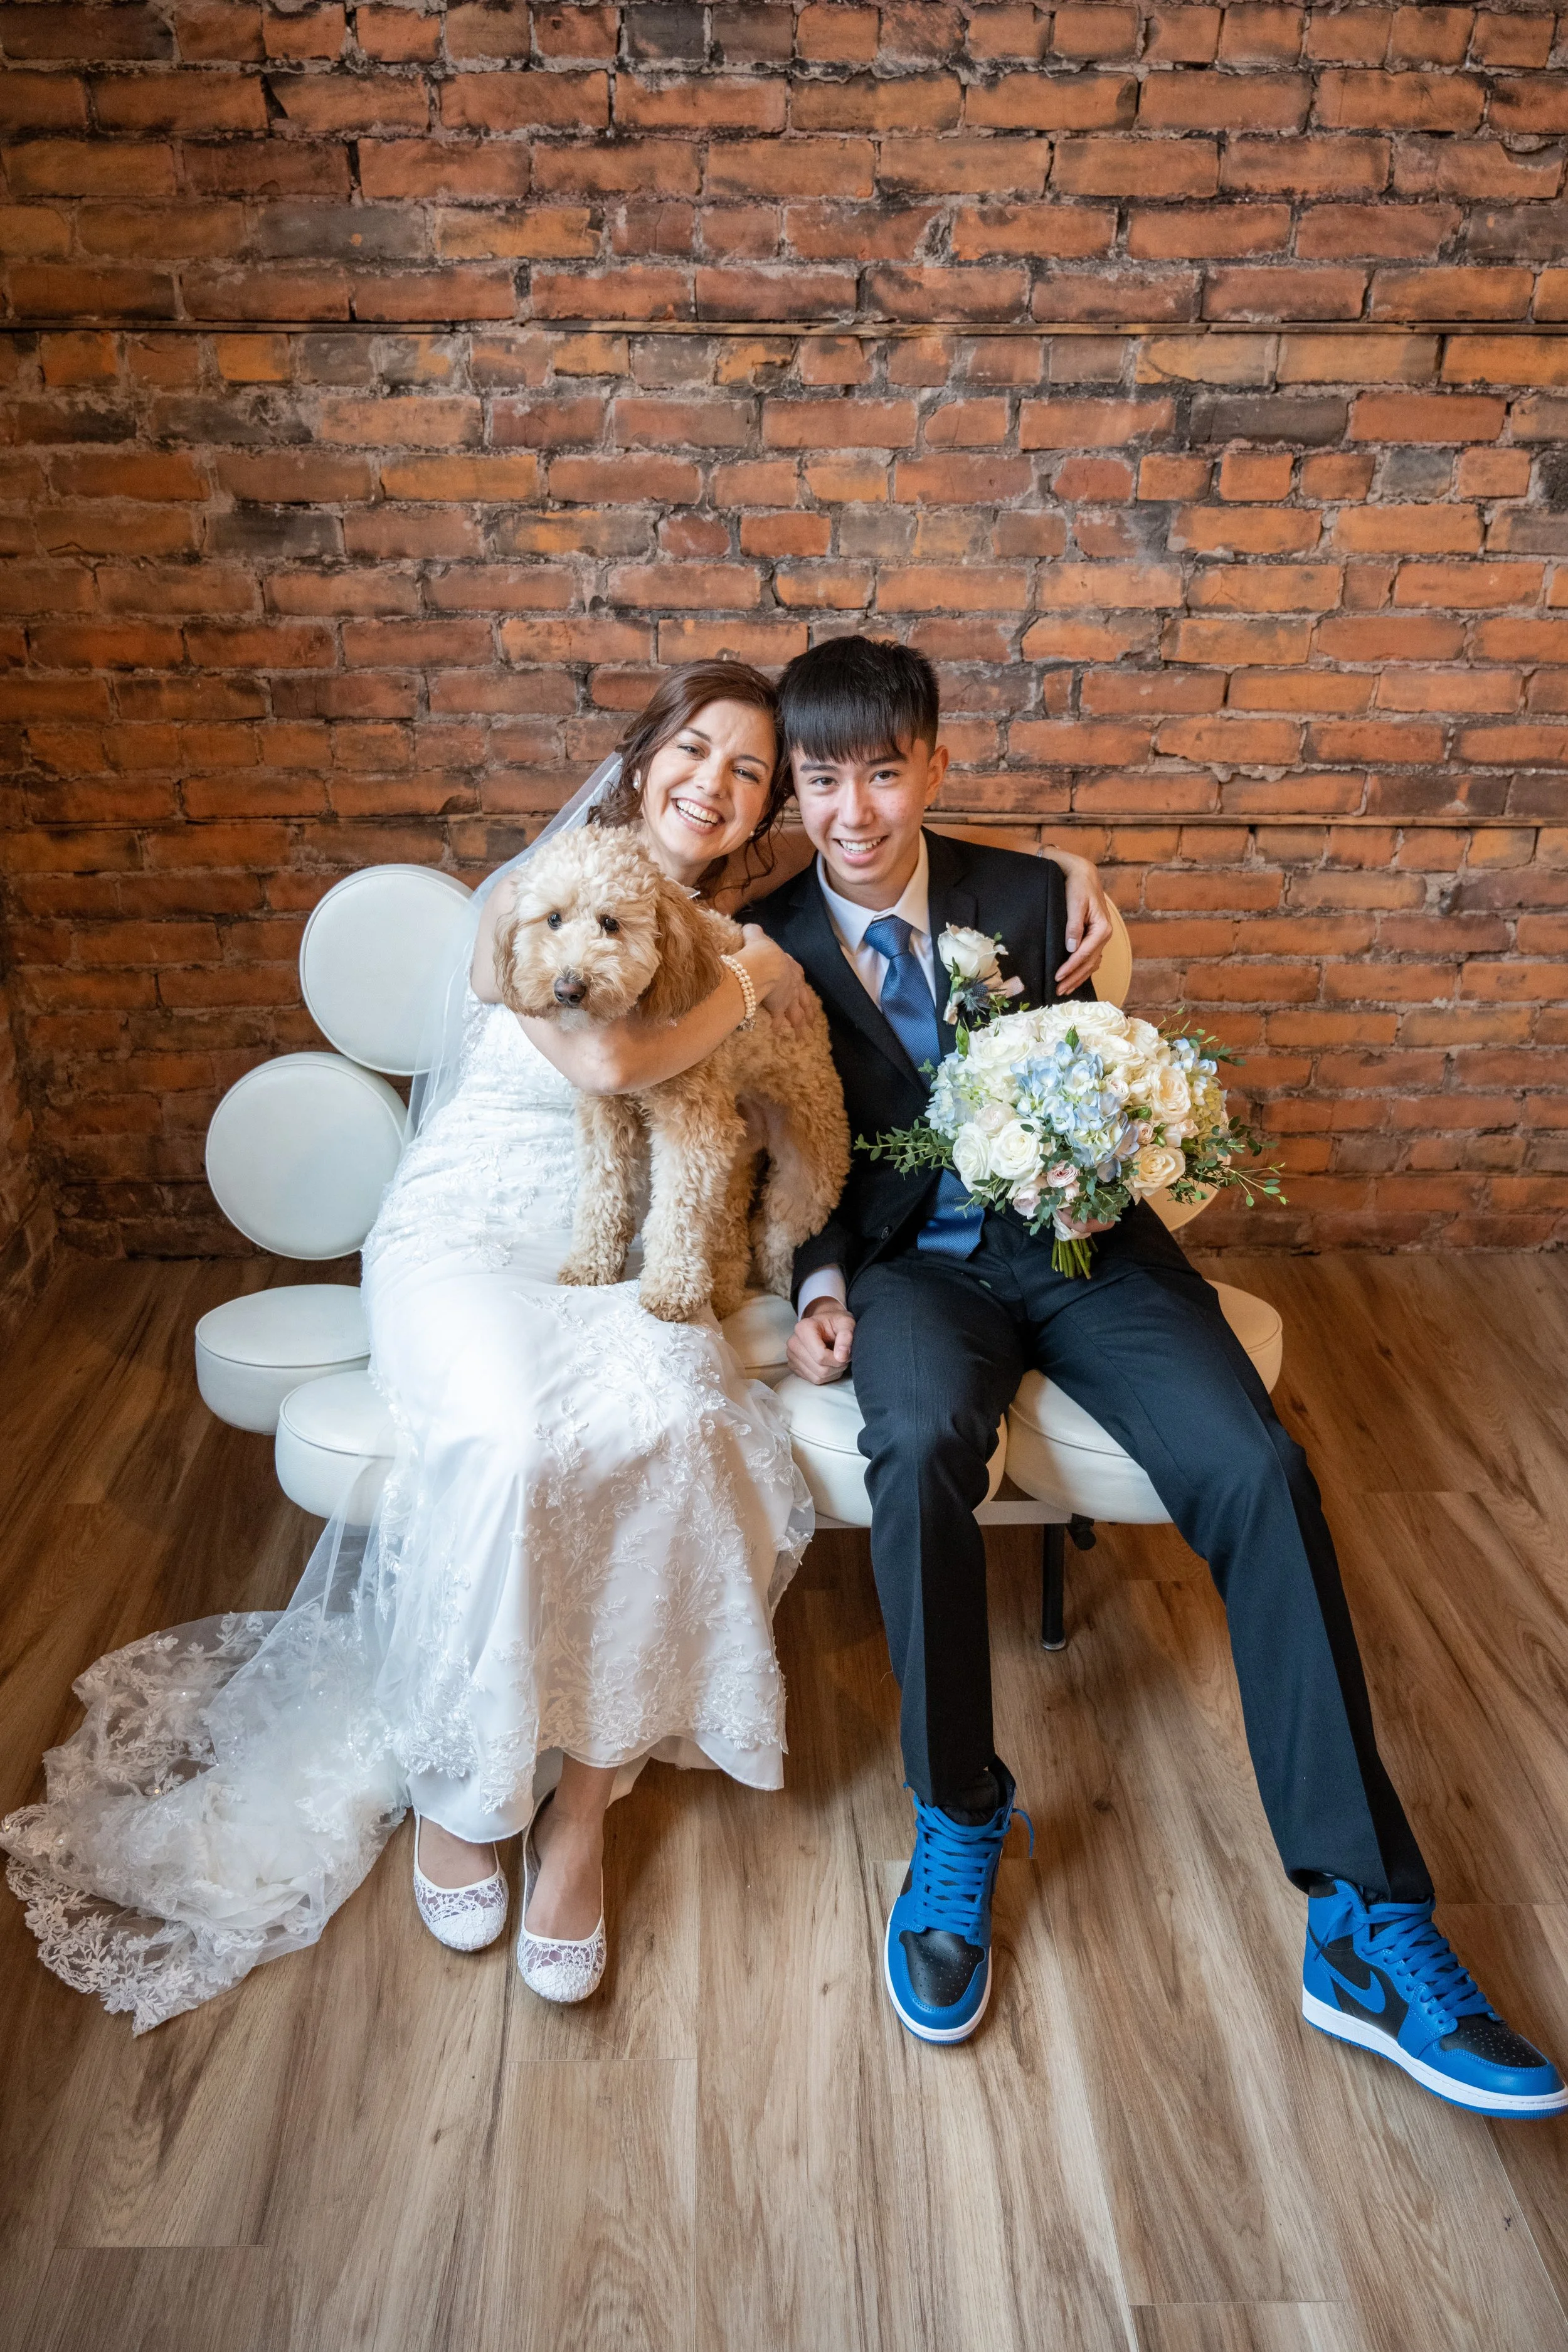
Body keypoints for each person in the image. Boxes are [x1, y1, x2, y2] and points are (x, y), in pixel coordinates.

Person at [0, 655, 1112, 2034]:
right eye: (694, 751)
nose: (714, 782)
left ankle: (583, 1806)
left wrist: (1064, 859)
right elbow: (603, 1066)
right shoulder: (536, 899)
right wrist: (741, 986)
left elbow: (871, 936)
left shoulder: (737, 923)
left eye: (750, 771)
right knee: (515, 1437)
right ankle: (465, 1795)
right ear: (645, 758)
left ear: (769, 806)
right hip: (474, 1236)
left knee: (683, 1420)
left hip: (639, 1258)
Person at [751, 633, 1565, 2119]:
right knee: (920, 1436)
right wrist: (812, 1283)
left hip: (1083, 1248)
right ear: (793, 789)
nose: (854, 811)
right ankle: (957, 1813)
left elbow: (1108, 1073)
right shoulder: (762, 950)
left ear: (933, 764)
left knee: (1256, 1468)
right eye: (822, 780)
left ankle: (1362, 1920)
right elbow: (784, 1149)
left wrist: (1107, 1155)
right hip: (911, 1277)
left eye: (884, 772)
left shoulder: (1028, 891)